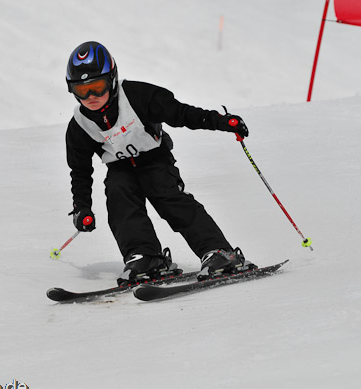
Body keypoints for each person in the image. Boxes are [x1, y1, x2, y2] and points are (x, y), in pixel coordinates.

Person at [64, 41, 250, 286]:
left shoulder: (139, 97)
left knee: (169, 197)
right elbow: (80, 171)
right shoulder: (79, 125)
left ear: (111, 79)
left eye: (97, 87)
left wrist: (222, 122)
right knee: (119, 198)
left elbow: (182, 113)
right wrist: (82, 207)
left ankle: (219, 252)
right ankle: (145, 257)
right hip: (119, 168)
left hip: (155, 160)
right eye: (82, 90)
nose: (91, 97)